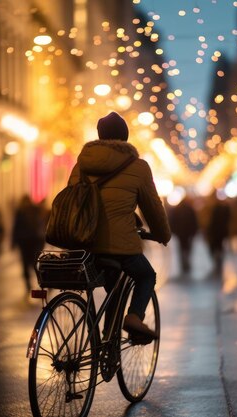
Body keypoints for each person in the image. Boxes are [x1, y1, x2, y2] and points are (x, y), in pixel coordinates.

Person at [64, 111, 171, 339]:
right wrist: (163, 234)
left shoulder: (81, 165)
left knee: (112, 287)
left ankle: (103, 341)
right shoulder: (138, 166)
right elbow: (152, 208)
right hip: (119, 247)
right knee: (145, 276)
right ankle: (133, 317)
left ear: (100, 136)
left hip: (82, 244)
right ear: (125, 137)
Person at [11, 195, 47, 295]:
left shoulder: (21, 211)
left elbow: (15, 228)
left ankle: (31, 285)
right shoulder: (34, 209)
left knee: (27, 265)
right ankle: (41, 283)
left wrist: (13, 242)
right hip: (34, 241)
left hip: (26, 242)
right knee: (33, 264)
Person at [168, 196, 199, 274]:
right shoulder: (190, 209)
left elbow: (172, 221)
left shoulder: (177, 209)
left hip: (180, 233)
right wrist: (194, 231)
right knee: (188, 248)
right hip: (188, 233)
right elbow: (194, 221)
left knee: (182, 248)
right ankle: (186, 262)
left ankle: (184, 263)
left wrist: (174, 231)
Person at [204, 195, 231, 276]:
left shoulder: (209, 209)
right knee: (218, 247)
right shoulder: (223, 208)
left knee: (214, 247)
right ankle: (218, 261)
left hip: (214, 232)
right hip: (219, 232)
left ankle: (217, 261)